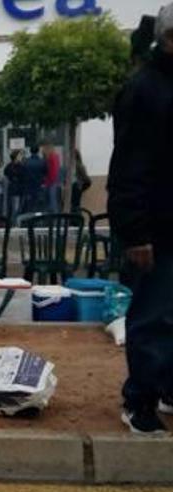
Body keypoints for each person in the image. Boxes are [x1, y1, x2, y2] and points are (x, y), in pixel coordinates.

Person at [108, 2, 173, 437]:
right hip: (156, 228)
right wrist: (135, 232)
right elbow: (128, 166)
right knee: (153, 317)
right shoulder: (144, 88)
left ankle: (168, 389)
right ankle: (141, 402)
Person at [22, 145, 48, 217]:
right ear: (38, 151)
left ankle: (29, 221)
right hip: (39, 186)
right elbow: (46, 173)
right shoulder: (42, 161)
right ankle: (38, 221)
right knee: (39, 206)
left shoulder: (26, 162)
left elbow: (23, 173)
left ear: (30, 151)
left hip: (28, 187)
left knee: (29, 206)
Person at [4, 149, 28, 219]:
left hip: (18, 189)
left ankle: (15, 221)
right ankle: (14, 222)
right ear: (16, 157)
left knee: (17, 207)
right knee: (16, 208)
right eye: (20, 155)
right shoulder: (15, 166)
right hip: (16, 190)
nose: (21, 157)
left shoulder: (11, 166)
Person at [41, 142, 62, 213]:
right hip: (52, 182)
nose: (42, 150)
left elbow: (53, 171)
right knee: (52, 202)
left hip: (51, 183)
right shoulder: (54, 157)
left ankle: (54, 219)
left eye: (43, 148)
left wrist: (48, 181)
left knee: (52, 202)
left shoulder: (52, 157)